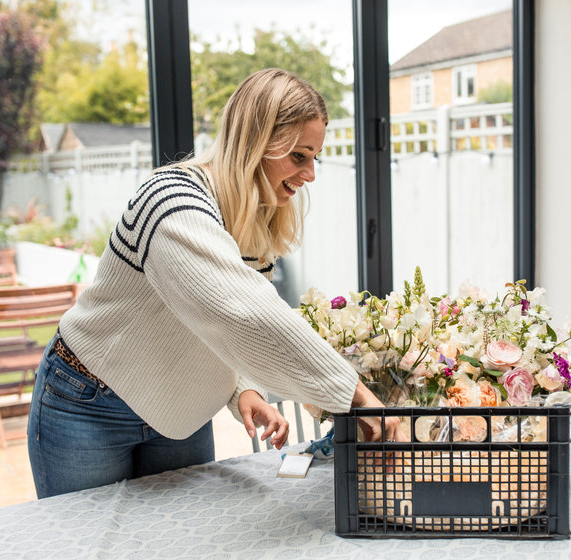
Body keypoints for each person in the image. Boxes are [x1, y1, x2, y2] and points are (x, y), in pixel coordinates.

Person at [27, 68, 403, 499]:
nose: (311, 174)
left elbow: (217, 319)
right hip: (89, 403)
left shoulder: (255, 216)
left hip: (181, 410)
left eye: (314, 157)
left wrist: (245, 387)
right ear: (257, 141)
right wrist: (355, 395)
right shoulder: (170, 202)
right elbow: (240, 310)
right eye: (300, 156)